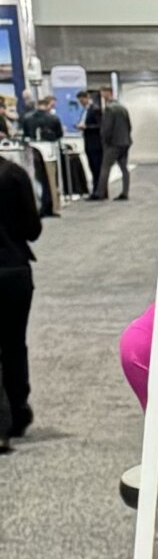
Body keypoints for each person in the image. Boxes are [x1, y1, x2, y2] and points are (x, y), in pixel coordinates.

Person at [0, 142, 36, 449]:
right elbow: (33, 229)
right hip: (14, 270)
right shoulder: (14, 175)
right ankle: (18, 411)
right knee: (14, 343)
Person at [100, 88, 133, 201]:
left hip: (113, 143)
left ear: (107, 93)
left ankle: (100, 193)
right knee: (124, 168)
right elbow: (129, 126)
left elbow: (107, 128)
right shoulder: (123, 108)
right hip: (125, 142)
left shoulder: (109, 109)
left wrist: (105, 140)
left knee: (105, 167)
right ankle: (125, 192)